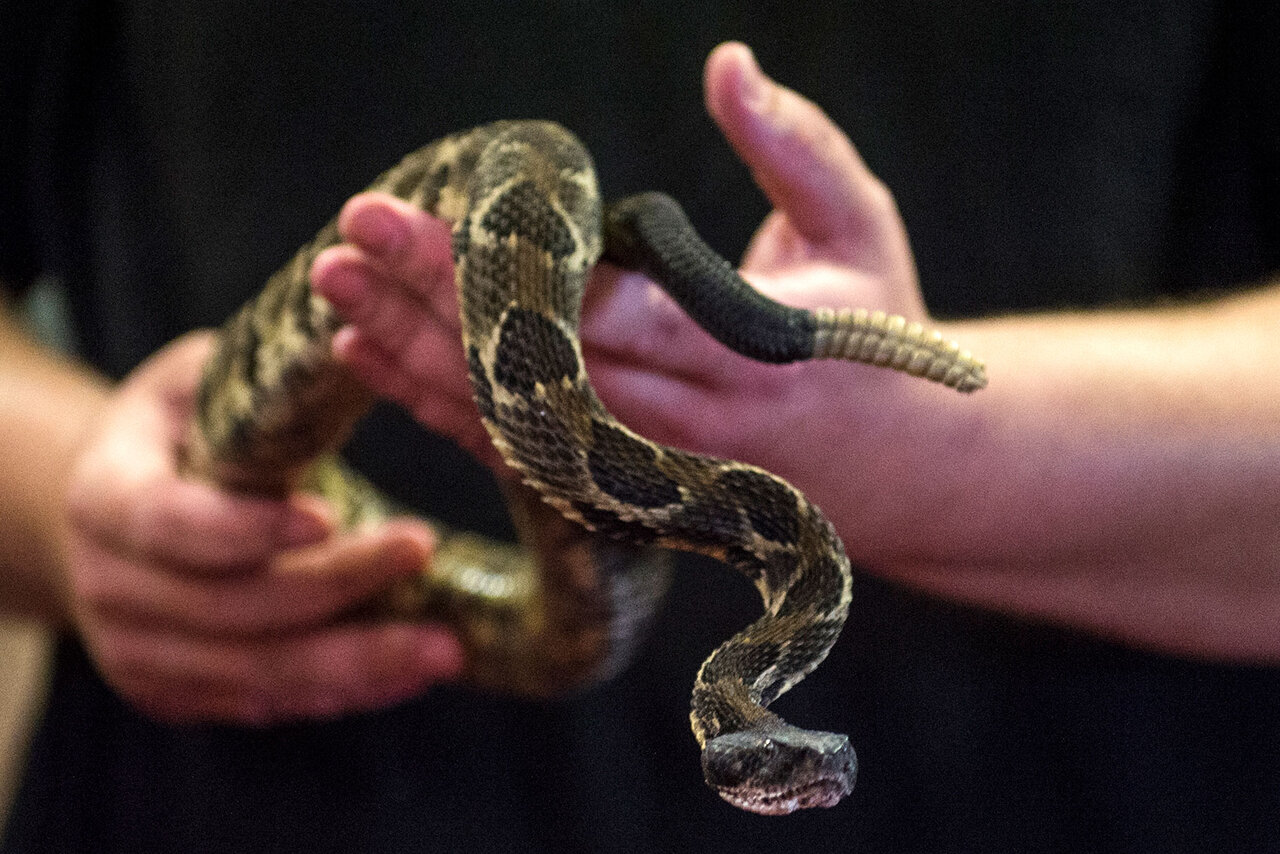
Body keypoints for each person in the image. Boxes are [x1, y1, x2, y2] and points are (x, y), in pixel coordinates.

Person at [3, 4, 1278, 852]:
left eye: (790, 768)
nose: (798, 779)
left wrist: (938, 457)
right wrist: (68, 496)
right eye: (789, 766)